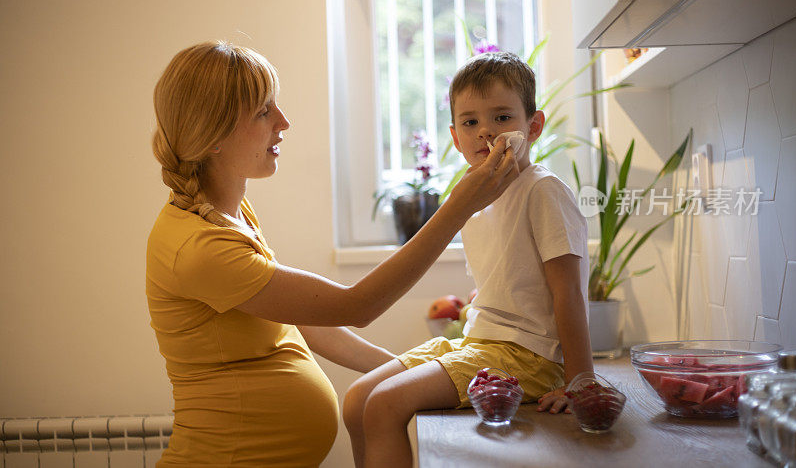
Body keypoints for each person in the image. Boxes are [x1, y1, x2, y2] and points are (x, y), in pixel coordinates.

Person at [145, 41, 520, 467]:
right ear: (213, 135)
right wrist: (458, 206)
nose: (284, 122)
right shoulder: (199, 248)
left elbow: (307, 319)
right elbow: (355, 306)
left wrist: (409, 373)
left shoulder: (225, 215)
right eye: (264, 112)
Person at [343, 51, 593, 467]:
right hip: (482, 343)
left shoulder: (542, 190)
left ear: (533, 128)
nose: (486, 133)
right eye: (471, 122)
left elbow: (568, 291)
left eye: (502, 118)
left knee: (384, 405)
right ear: (455, 138)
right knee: (357, 401)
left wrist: (580, 380)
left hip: (528, 355)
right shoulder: (472, 199)